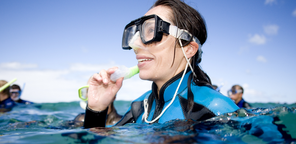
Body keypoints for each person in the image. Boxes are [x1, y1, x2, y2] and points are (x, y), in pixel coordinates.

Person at [83, 0, 238, 128]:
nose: (135, 43)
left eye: (151, 30)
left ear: (189, 49)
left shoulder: (215, 109)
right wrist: (96, 109)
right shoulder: (139, 106)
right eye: (135, 34)